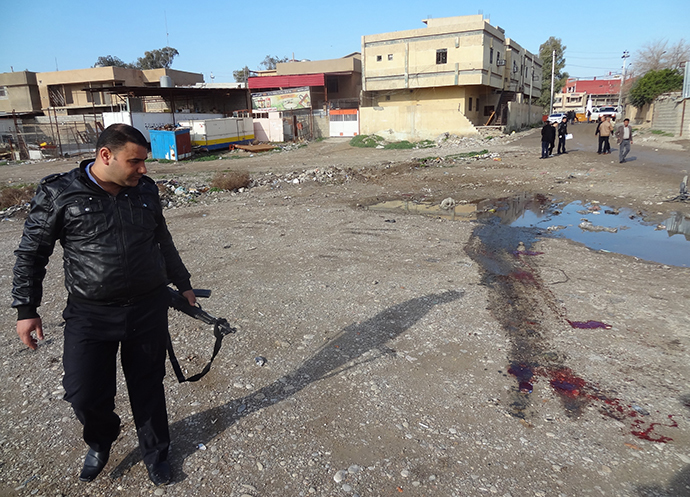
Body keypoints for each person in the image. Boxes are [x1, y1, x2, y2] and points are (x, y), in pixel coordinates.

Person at [12, 124, 196, 486]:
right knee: (83, 393)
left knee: (148, 386)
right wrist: (26, 309)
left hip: (147, 309)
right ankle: (101, 439)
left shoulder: (145, 190)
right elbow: (31, 255)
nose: (143, 169)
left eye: (144, 162)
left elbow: (163, 240)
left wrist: (183, 283)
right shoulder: (59, 193)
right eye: (135, 162)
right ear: (105, 156)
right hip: (90, 313)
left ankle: (156, 454)